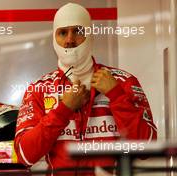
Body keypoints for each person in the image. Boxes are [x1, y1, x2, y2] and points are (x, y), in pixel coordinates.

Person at [14, 3, 157, 175]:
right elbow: (25, 155)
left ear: (90, 35)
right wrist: (63, 110)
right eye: (62, 33)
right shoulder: (39, 89)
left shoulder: (124, 82)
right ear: (54, 38)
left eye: (78, 31)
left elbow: (147, 149)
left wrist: (116, 95)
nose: (69, 40)